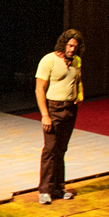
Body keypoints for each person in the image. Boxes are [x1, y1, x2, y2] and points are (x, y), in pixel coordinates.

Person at [34, 29, 84, 206]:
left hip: (70, 109)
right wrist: (45, 115)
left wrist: (79, 94)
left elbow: (77, 80)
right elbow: (39, 89)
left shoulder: (76, 61)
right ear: (63, 44)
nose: (72, 49)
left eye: (75, 46)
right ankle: (44, 190)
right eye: (70, 45)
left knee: (61, 149)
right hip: (54, 108)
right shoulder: (49, 60)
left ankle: (58, 188)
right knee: (50, 150)